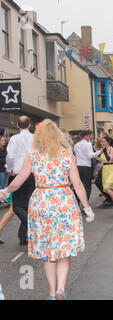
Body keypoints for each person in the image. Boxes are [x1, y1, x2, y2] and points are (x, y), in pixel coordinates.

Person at [0, 119, 95, 300]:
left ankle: (51, 293)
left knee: (48, 250)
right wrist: (87, 208)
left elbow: (19, 181)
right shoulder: (67, 155)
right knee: (64, 250)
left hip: (41, 203)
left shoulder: (33, 156)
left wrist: (5, 191)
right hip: (64, 201)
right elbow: (78, 184)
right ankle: (60, 289)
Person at [5, 116, 35, 246]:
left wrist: (9, 168)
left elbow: (10, 156)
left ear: (17, 125)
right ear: (29, 125)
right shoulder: (35, 138)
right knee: (27, 204)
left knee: (17, 205)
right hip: (33, 173)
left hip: (19, 173)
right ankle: (23, 236)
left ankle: (30, 225)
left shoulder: (14, 139)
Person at [73, 131, 102, 208]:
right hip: (86, 167)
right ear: (86, 136)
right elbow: (90, 155)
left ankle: (77, 205)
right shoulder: (88, 144)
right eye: (90, 136)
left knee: (78, 185)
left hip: (78, 167)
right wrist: (100, 151)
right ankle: (85, 206)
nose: (91, 137)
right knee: (87, 187)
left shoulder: (76, 145)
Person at [0, 135, 9, 203]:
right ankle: (1, 199)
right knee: (1, 184)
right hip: (1, 170)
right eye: (2, 140)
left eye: (4, 140)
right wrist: (5, 160)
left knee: (5, 185)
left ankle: (4, 198)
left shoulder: (5, 148)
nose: (4, 142)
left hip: (6, 169)